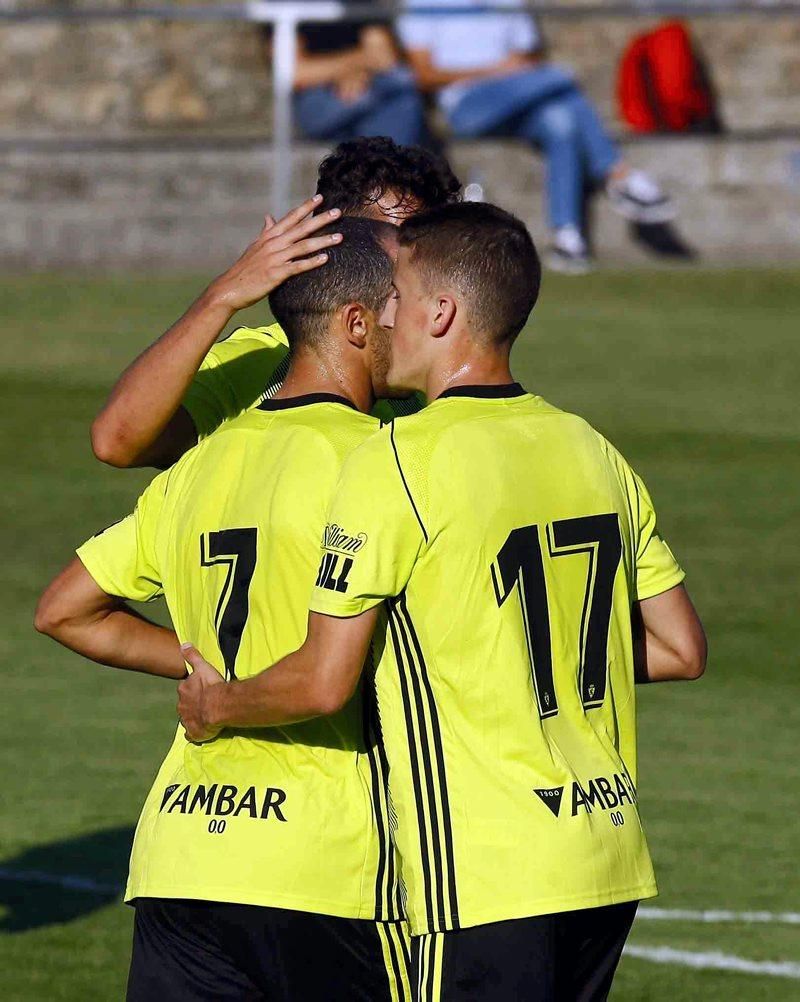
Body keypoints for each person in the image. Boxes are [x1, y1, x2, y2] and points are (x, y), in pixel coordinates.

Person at [178, 202, 707, 1001]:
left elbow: (323, 682)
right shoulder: (590, 445)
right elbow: (677, 650)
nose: (382, 317)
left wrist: (218, 704)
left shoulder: (394, 461)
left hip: (480, 875)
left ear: (440, 311)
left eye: (395, 295)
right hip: (604, 857)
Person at [35, 218, 414, 1001]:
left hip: (183, 854)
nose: (419, 319)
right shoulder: (382, 463)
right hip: (329, 861)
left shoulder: (202, 462)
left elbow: (65, 609)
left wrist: (203, 666)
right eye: (401, 305)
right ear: (354, 322)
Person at [90, 136, 461, 470]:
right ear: (331, 240)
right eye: (396, 242)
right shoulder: (260, 362)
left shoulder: (428, 376)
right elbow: (116, 443)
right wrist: (221, 297)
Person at [398, 0, 676, 273]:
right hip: (466, 104)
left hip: (519, 99)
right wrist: (494, 71)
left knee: (562, 122)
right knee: (560, 77)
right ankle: (617, 174)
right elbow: (422, 74)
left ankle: (567, 238)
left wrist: (511, 71)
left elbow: (528, 60)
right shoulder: (424, 3)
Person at [288, 2, 428, 146]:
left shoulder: (359, 3)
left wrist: (357, 71)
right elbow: (294, 73)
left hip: (366, 86)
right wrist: (348, 69)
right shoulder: (283, 5)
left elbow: (385, 58)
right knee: (401, 85)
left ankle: (385, 163)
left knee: (401, 94)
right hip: (316, 97)